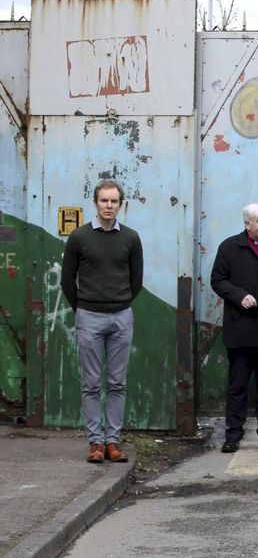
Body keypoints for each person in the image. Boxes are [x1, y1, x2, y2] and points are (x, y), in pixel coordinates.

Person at [60, 179, 143, 463]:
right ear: (95, 202)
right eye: (104, 201)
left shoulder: (130, 238)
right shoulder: (79, 237)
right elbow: (67, 280)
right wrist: (83, 308)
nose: (109, 206)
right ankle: (95, 442)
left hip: (121, 316)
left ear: (121, 204)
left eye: (114, 201)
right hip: (89, 317)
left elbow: (137, 280)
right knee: (91, 383)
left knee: (118, 383)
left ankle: (113, 442)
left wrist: (119, 302)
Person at [211, 203, 258, 454]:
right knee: (238, 386)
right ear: (247, 224)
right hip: (241, 328)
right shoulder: (230, 247)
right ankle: (232, 435)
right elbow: (217, 280)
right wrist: (238, 295)